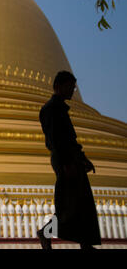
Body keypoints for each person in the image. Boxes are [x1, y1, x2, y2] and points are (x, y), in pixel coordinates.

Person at [37, 71, 101, 250]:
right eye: (69, 87)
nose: (73, 90)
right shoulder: (50, 109)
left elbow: (70, 139)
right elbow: (56, 140)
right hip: (65, 159)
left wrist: (82, 158)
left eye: (73, 87)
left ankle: (85, 243)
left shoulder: (61, 109)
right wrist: (67, 164)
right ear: (59, 86)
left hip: (72, 158)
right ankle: (46, 232)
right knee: (69, 205)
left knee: (81, 203)